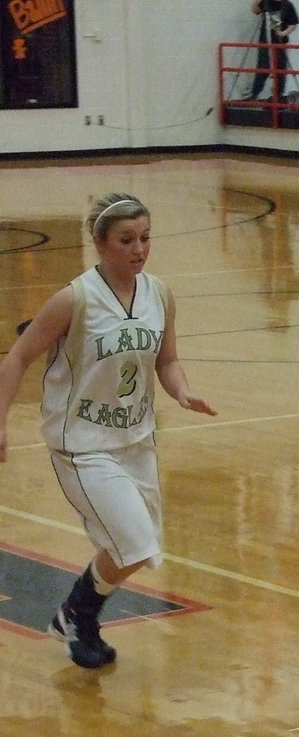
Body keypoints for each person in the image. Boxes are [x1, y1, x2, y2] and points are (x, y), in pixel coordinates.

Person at [0, 193, 217, 669]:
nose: (138, 249)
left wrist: (181, 391)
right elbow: (18, 356)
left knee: (135, 550)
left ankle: (75, 613)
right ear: (100, 243)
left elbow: (168, 359)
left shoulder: (159, 293)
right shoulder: (74, 299)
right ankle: (80, 612)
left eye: (145, 238)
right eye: (126, 240)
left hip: (137, 442)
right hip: (81, 444)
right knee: (134, 543)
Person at [246, 0, 299, 103]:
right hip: (265, 41)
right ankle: (254, 94)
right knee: (263, 68)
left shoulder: (287, 5)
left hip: (280, 42)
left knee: (280, 69)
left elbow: (293, 23)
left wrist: (283, 33)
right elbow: (255, 10)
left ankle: (278, 96)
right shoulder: (266, 2)